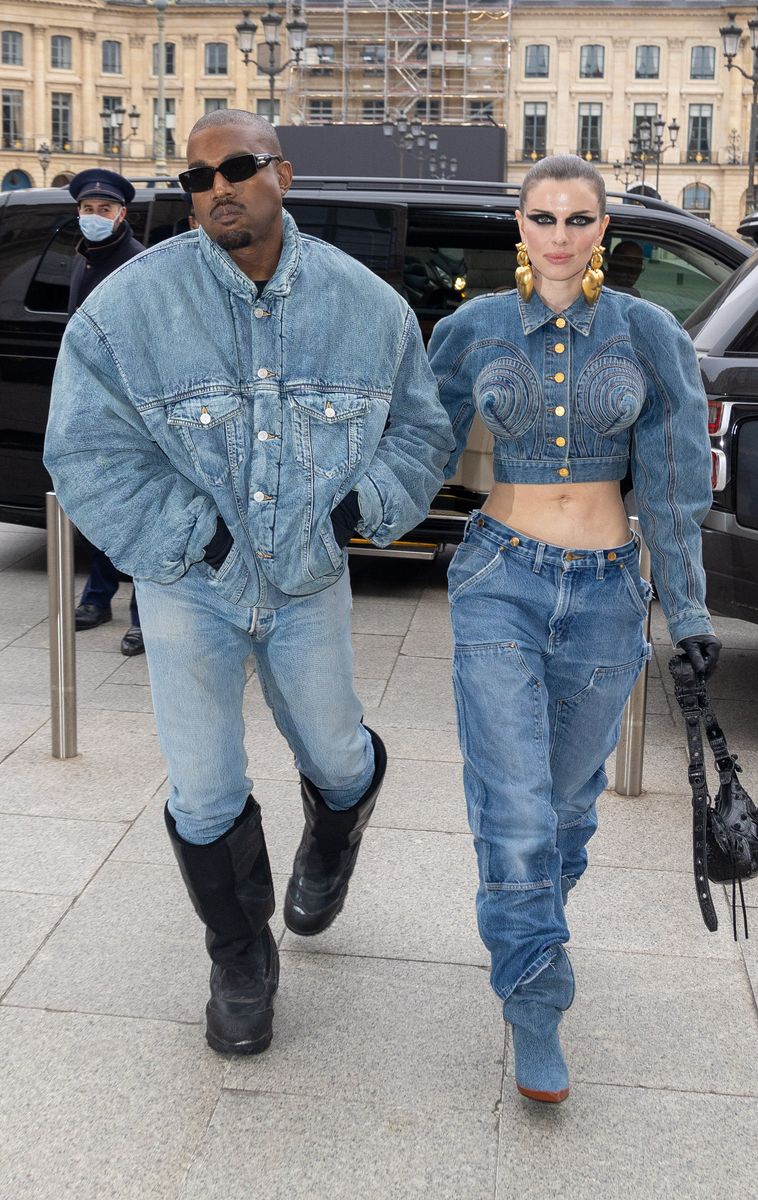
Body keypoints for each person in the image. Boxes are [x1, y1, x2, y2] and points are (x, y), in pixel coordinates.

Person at [45, 111, 453, 1056]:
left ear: (283, 174)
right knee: (203, 789)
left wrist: (359, 513)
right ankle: (239, 957)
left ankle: (335, 830)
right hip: (189, 586)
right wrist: (200, 539)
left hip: (312, 579)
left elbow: (422, 434)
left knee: (339, 756)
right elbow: (85, 453)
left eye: (235, 168)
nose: (215, 188)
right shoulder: (127, 309)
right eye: (195, 178)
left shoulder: (368, 306)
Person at [428, 155, 721, 1105]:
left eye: (578, 219)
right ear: (519, 225)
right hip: (498, 579)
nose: (559, 235)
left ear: (606, 231)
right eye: (542, 217)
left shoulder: (648, 334)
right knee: (514, 811)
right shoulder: (472, 328)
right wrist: (335, 516)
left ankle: (527, 924)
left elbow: (674, 485)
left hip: (604, 593)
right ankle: (535, 999)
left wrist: (689, 606)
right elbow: (416, 437)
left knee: (563, 815)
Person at [67, 168, 146, 657]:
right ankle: (98, 596)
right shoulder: (83, 257)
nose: (95, 218)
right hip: (92, 401)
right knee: (100, 506)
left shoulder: (136, 263)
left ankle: (143, 614)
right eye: (87, 210)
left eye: (105, 210)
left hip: (130, 407)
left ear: (122, 214)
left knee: (138, 508)